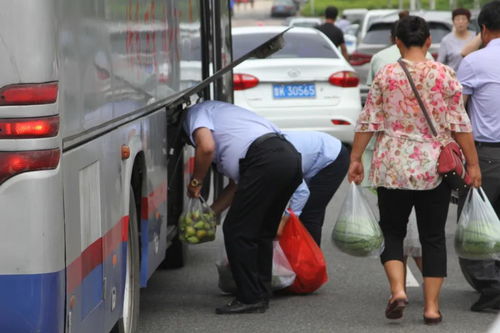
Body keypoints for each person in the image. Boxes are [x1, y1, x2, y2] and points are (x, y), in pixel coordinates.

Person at [348, 16, 481, 324]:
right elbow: (460, 124)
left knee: (392, 231)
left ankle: (397, 290)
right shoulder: (445, 74)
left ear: (397, 42)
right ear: (429, 42)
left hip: (392, 166)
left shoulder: (386, 74)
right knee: (433, 236)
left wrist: (355, 158)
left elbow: (368, 121)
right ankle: (432, 308)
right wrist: (473, 164)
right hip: (434, 168)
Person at [184, 100, 302, 314]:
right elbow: (237, 186)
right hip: (289, 157)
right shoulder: (227, 115)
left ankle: (249, 296)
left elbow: (206, 147)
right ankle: (261, 292)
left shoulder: (194, 114)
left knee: (237, 230)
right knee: (262, 231)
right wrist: (209, 213)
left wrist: (196, 181)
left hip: (263, 160)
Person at [456, 0, 500, 313]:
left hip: (486, 155)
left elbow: (456, 112)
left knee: (475, 226)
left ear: (483, 29)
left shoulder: (474, 62)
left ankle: (492, 288)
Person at [279, 131, 349, 246]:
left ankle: (311, 261)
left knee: (309, 214)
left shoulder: (277, 161)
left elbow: (301, 192)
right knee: (309, 212)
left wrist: (285, 222)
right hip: (311, 155)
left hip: (331, 157)